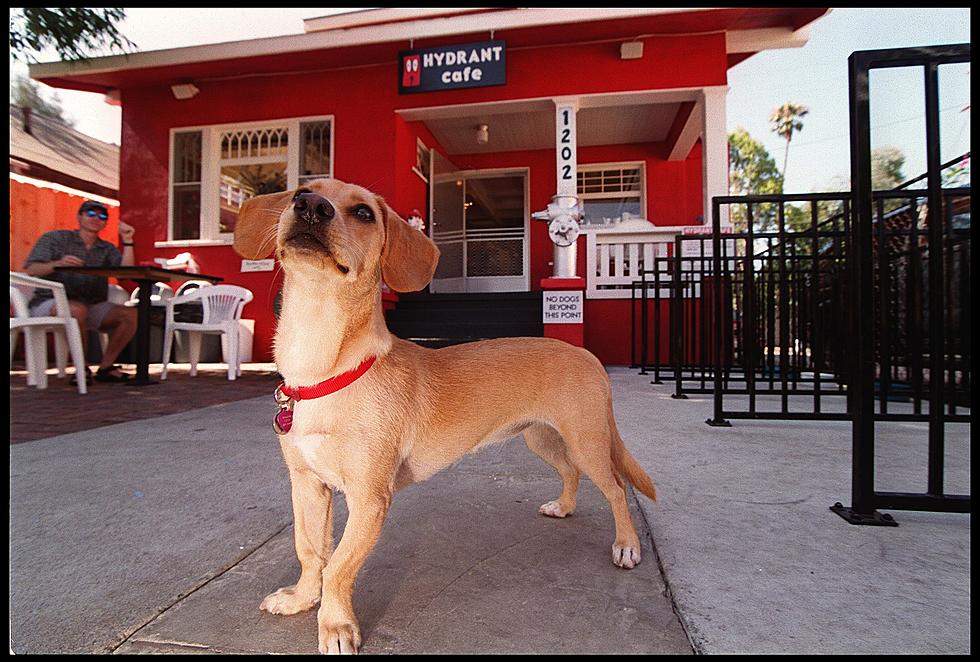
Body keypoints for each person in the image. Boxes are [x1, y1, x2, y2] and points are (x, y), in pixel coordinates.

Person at [23, 200, 139, 383]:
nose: (96, 219)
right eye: (90, 213)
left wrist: (128, 240)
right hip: (49, 301)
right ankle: (81, 367)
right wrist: (57, 264)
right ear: (79, 217)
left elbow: (126, 273)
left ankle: (106, 367)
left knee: (133, 314)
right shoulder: (55, 238)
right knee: (78, 310)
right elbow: (32, 269)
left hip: (91, 304)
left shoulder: (106, 248)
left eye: (102, 216)